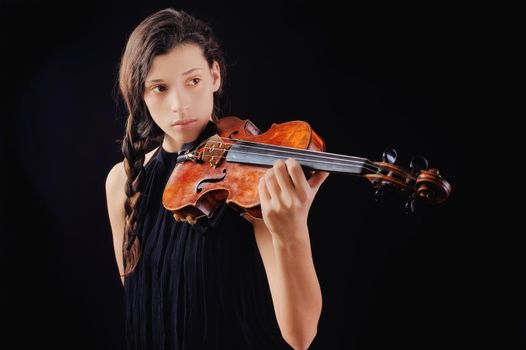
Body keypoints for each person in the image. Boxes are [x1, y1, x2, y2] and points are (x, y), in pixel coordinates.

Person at [105, 8, 329, 350]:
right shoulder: (122, 181)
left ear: (215, 76)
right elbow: (144, 300)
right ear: (141, 94)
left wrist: (292, 232)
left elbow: (300, 335)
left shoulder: (247, 181)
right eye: (160, 88)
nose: (179, 104)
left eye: (193, 81)